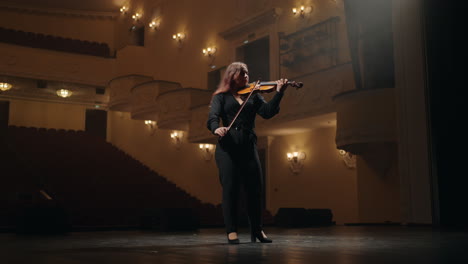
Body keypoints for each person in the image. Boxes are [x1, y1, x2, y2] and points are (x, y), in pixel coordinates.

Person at [207, 62, 289, 244]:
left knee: (255, 189)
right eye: (242, 73)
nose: (246, 76)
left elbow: (268, 112)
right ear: (232, 75)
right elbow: (212, 117)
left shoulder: (254, 94)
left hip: (248, 146)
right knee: (230, 189)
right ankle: (231, 231)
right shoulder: (221, 97)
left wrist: (280, 93)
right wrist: (216, 129)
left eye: (247, 73)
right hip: (227, 147)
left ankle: (257, 231)